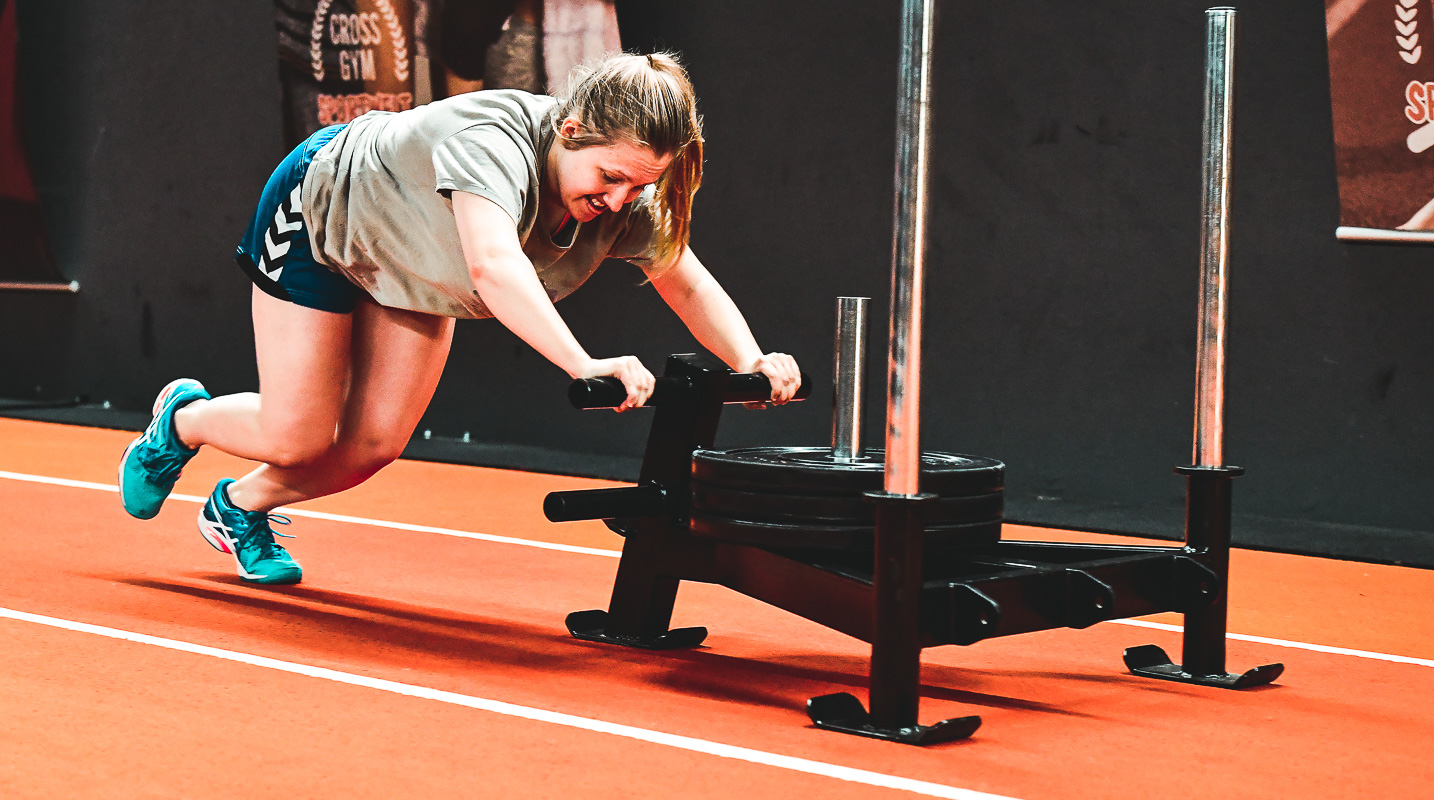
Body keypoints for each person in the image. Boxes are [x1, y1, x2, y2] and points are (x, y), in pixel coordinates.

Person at [117, 51, 802, 585]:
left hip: (413, 264)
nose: (622, 201)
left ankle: (238, 507)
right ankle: (180, 420)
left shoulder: (618, 193)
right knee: (297, 436)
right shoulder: (493, 142)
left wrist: (751, 360)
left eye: (641, 186)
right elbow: (494, 268)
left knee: (372, 446)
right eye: (609, 179)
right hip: (324, 219)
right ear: (569, 131)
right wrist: (584, 364)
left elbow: (684, 280)